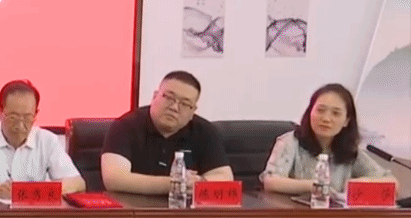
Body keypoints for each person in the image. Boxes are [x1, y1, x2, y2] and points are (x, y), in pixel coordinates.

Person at [101, 70, 233, 194]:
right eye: (169, 97)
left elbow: (224, 177)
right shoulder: (126, 126)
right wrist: (175, 183)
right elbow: (114, 179)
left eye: (185, 104)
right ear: (154, 96)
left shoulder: (205, 131)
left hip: (185, 208)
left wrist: (200, 182)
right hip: (132, 207)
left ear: (193, 110)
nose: (174, 107)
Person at [0, 80, 85, 197]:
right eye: (13, 117)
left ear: (36, 114)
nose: (20, 125)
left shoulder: (47, 141)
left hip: (34, 216)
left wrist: (32, 191)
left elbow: (78, 183)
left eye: (27, 117)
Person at [261, 83, 396, 195]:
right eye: (320, 110)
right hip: (295, 214)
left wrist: (364, 183)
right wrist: (314, 186)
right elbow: (271, 181)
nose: (326, 119)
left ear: (346, 121)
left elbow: (392, 184)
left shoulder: (349, 150)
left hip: (335, 217)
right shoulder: (291, 142)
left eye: (336, 113)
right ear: (310, 112)